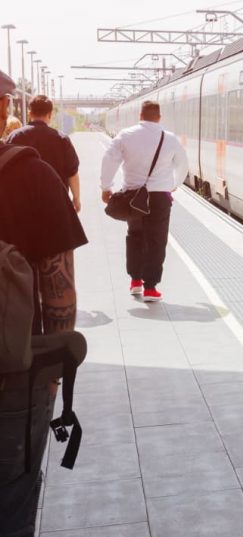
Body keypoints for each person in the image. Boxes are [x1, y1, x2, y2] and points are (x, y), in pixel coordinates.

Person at [0, 71, 87, 537]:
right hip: (12, 376)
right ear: (3, 111)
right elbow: (60, 292)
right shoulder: (31, 174)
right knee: (12, 502)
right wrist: (51, 375)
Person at [100, 100, 187, 302]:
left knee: (135, 236)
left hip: (133, 196)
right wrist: (174, 184)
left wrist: (106, 187)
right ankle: (150, 288)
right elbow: (183, 164)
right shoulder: (170, 139)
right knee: (157, 240)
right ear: (159, 117)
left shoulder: (126, 135)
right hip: (159, 197)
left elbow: (109, 158)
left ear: (140, 115)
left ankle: (135, 282)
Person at [6, 95, 82, 212]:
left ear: (30, 113)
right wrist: (76, 198)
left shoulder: (14, 137)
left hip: (22, 204)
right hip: (55, 204)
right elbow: (72, 173)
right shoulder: (62, 139)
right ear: (50, 114)